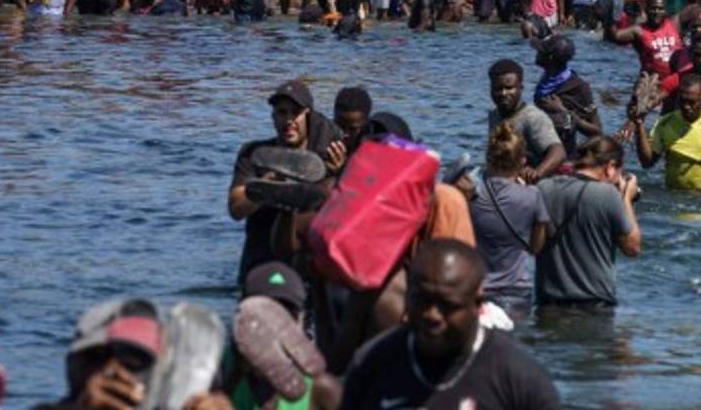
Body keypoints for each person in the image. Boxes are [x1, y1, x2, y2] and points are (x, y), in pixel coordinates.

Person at [340, 239, 561, 409]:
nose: (432, 315)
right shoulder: (371, 363)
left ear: (478, 305)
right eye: (422, 300)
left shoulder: (519, 380)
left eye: (447, 306)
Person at [227, 80, 341, 285]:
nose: (288, 120)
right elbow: (236, 209)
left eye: (295, 113)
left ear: (308, 116)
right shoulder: (255, 154)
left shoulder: (323, 160)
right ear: (273, 117)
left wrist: (338, 173)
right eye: (282, 113)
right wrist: (268, 185)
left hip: (302, 270)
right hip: (260, 264)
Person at [535, 137, 641, 308]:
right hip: (593, 303)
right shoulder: (607, 195)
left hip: (547, 302)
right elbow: (632, 247)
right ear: (610, 167)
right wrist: (626, 199)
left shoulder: (544, 188)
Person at [468, 123, 551, 306]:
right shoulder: (532, 196)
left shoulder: (473, 195)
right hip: (517, 289)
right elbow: (536, 248)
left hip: (479, 289)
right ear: (522, 160)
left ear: (489, 158)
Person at [636, 72, 701, 191]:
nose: (686, 106)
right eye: (682, 101)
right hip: (673, 195)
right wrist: (639, 124)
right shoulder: (666, 123)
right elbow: (647, 163)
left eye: (692, 102)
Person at [487, 58, 566, 182]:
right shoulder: (494, 115)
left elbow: (558, 152)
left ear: (520, 88)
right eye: (498, 88)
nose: (503, 93)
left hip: (530, 183)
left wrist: (537, 172)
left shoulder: (532, 118)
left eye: (509, 88)